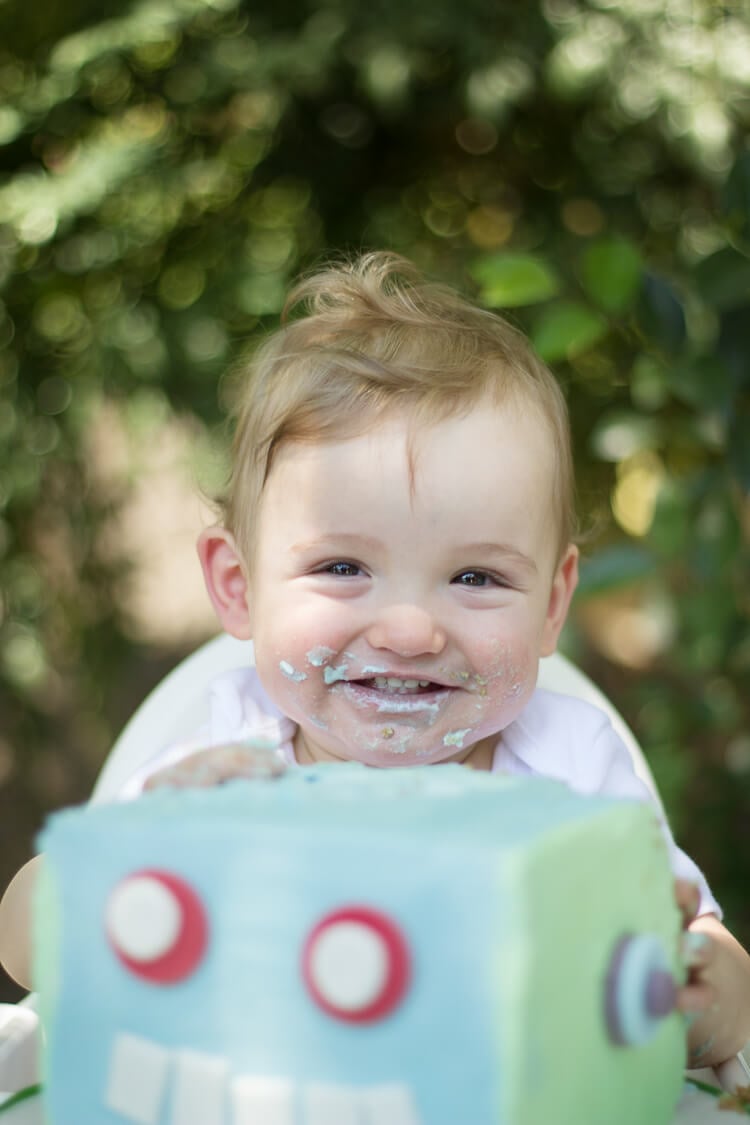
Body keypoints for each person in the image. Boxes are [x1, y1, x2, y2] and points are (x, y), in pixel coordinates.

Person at [1, 252, 749, 1073]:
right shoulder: (222, 762)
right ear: (237, 584)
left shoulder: (572, 767)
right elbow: (27, 936)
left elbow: (718, 983)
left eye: (476, 577)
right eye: (343, 567)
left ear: (552, 604)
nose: (407, 630)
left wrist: (690, 987)